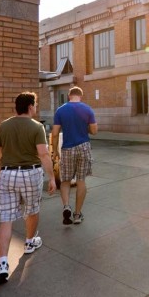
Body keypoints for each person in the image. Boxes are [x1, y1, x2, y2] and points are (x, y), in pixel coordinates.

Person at [0, 91, 56, 284]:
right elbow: (44, 155)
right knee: (32, 210)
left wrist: (8, 163)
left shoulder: (4, 125)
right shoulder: (36, 127)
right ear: (30, 106)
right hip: (30, 173)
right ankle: (29, 242)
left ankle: (3, 262)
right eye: (35, 105)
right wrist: (52, 177)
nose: (35, 108)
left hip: (7, 173)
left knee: (6, 218)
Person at [51, 86, 97, 225]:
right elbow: (94, 131)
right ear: (80, 96)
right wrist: (85, 126)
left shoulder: (60, 110)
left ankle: (66, 206)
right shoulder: (88, 109)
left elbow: (54, 133)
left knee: (65, 181)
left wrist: (54, 151)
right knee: (81, 181)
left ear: (69, 96)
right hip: (83, 147)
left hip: (67, 148)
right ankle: (77, 215)